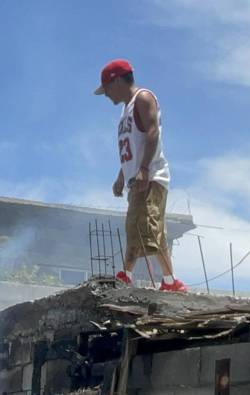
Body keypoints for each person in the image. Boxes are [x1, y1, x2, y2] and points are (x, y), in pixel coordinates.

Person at [95, 59, 187, 292]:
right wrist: (122, 176)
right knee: (137, 227)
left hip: (151, 177)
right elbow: (132, 147)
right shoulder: (125, 110)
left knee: (147, 228)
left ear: (117, 81)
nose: (106, 95)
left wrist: (145, 169)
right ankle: (159, 280)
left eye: (106, 89)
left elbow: (152, 132)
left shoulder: (143, 99)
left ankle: (161, 280)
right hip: (137, 178)